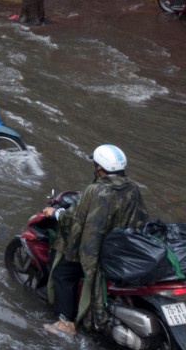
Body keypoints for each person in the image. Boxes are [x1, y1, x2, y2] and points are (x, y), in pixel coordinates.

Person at [41, 144, 148, 337]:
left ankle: (65, 323)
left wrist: (55, 213)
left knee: (63, 273)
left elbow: (74, 219)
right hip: (120, 249)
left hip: (96, 250)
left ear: (100, 167)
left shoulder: (95, 190)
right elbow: (140, 218)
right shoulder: (132, 188)